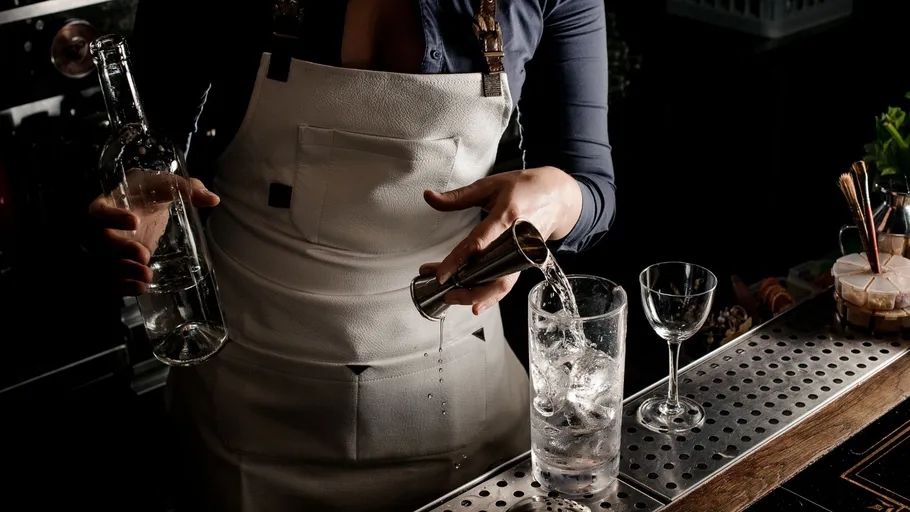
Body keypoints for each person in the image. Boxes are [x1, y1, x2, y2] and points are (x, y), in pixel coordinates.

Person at [88, 0, 616, 510]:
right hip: (245, 406)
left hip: (459, 409)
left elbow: (592, 188)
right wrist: (133, 202)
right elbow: (139, 137)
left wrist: (557, 199)